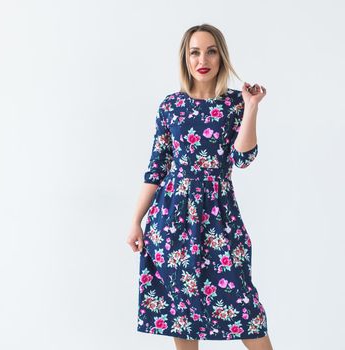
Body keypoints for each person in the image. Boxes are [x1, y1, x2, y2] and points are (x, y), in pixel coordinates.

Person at [126, 24, 274, 350]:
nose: (202, 59)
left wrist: (251, 108)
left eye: (210, 51)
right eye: (195, 51)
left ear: (221, 56)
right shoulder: (171, 106)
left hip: (219, 216)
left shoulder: (235, 104)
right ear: (186, 57)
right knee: (183, 313)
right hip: (172, 218)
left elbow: (243, 157)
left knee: (243, 305)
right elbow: (156, 168)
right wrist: (136, 220)